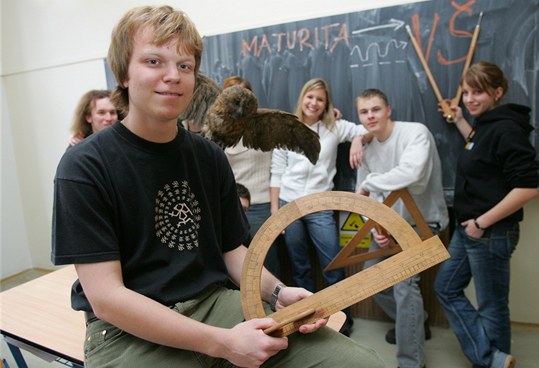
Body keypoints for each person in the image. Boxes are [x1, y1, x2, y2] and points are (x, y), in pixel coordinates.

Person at [51, 5, 383, 367]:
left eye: (184, 66)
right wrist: (223, 343)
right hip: (126, 331)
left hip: (213, 304)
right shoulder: (84, 166)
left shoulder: (208, 157)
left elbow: (231, 251)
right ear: (124, 74)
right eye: (153, 62)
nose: (172, 76)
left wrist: (279, 292)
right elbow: (107, 298)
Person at [434, 61, 539, 368]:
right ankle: (491, 359)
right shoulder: (485, 125)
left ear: (497, 92)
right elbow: (479, 148)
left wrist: (482, 223)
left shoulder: (507, 129)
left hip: (488, 232)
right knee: (446, 288)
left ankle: (491, 360)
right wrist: (459, 121)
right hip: (468, 230)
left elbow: (527, 188)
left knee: (492, 306)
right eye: (466, 92)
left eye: (477, 92)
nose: (469, 99)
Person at [351, 88, 449, 368]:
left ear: (388, 110)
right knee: (373, 281)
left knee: (403, 285)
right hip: (387, 227)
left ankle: (412, 363)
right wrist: (375, 231)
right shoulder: (366, 148)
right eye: (364, 112)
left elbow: (413, 175)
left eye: (376, 110)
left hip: (424, 223)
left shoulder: (415, 133)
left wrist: (370, 183)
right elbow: (365, 200)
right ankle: (418, 323)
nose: (370, 116)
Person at [270, 78, 367, 336]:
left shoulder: (334, 127)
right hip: (289, 205)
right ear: (303, 98)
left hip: (320, 204)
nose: (314, 103)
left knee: (332, 263)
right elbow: (276, 172)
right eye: (310, 97)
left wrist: (358, 139)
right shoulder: (286, 129)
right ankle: (309, 318)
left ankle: (342, 319)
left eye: (320, 99)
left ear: (326, 104)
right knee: (300, 267)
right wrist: (274, 211)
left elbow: (364, 129)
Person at [223, 76, 283, 278]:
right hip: (233, 207)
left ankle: (274, 309)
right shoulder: (219, 131)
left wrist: (331, 116)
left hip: (263, 205)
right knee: (237, 270)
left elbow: (302, 120)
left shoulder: (266, 126)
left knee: (269, 265)